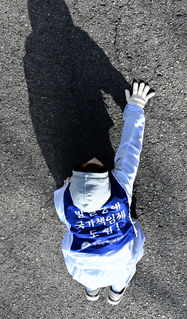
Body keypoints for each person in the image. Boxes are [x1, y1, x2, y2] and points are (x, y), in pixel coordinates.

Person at [54, 80, 155, 304]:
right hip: (117, 263)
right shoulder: (120, 187)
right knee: (124, 271)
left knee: (90, 275)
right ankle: (116, 293)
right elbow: (131, 148)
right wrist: (135, 107)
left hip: (81, 267)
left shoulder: (64, 202)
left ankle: (92, 291)